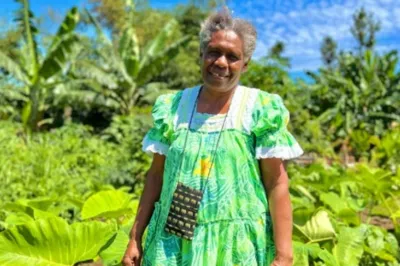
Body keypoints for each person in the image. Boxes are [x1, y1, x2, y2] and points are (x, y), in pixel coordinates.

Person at [122, 8, 303, 266]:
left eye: (233, 56)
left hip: (236, 246)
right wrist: (135, 237)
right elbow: (155, 176)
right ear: (201, 55)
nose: (221, 62)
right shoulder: (173, 107)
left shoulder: (259, 109)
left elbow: (277, 184)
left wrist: (284, 255)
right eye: (214, 52)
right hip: (173, 243)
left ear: (245, 64)